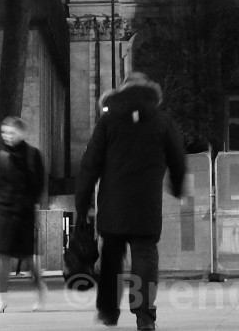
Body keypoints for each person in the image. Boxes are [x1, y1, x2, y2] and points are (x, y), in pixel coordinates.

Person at [75, 71, 186, 329]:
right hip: (147, 206)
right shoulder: (162, 121)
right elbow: (178, 160)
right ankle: (144, 316)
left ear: (121, 91)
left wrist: (82, 202)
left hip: (113, 205)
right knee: (145, 258)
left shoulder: (108, 121)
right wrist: (178, 187)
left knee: (111, 258)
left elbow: (89, 164)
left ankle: (108, 311)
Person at [0, 115, 47, 312]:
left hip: (23, 212)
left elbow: (39, 183)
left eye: (11, 132)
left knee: (27, 257)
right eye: (4, 132)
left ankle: (40, 289)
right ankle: (2, 298)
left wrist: (30, 203)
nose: (7, 136)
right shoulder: (2, 157)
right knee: (3, 254)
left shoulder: (33, 155)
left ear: (22, 134)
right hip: (6, 211)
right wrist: (0, 205)